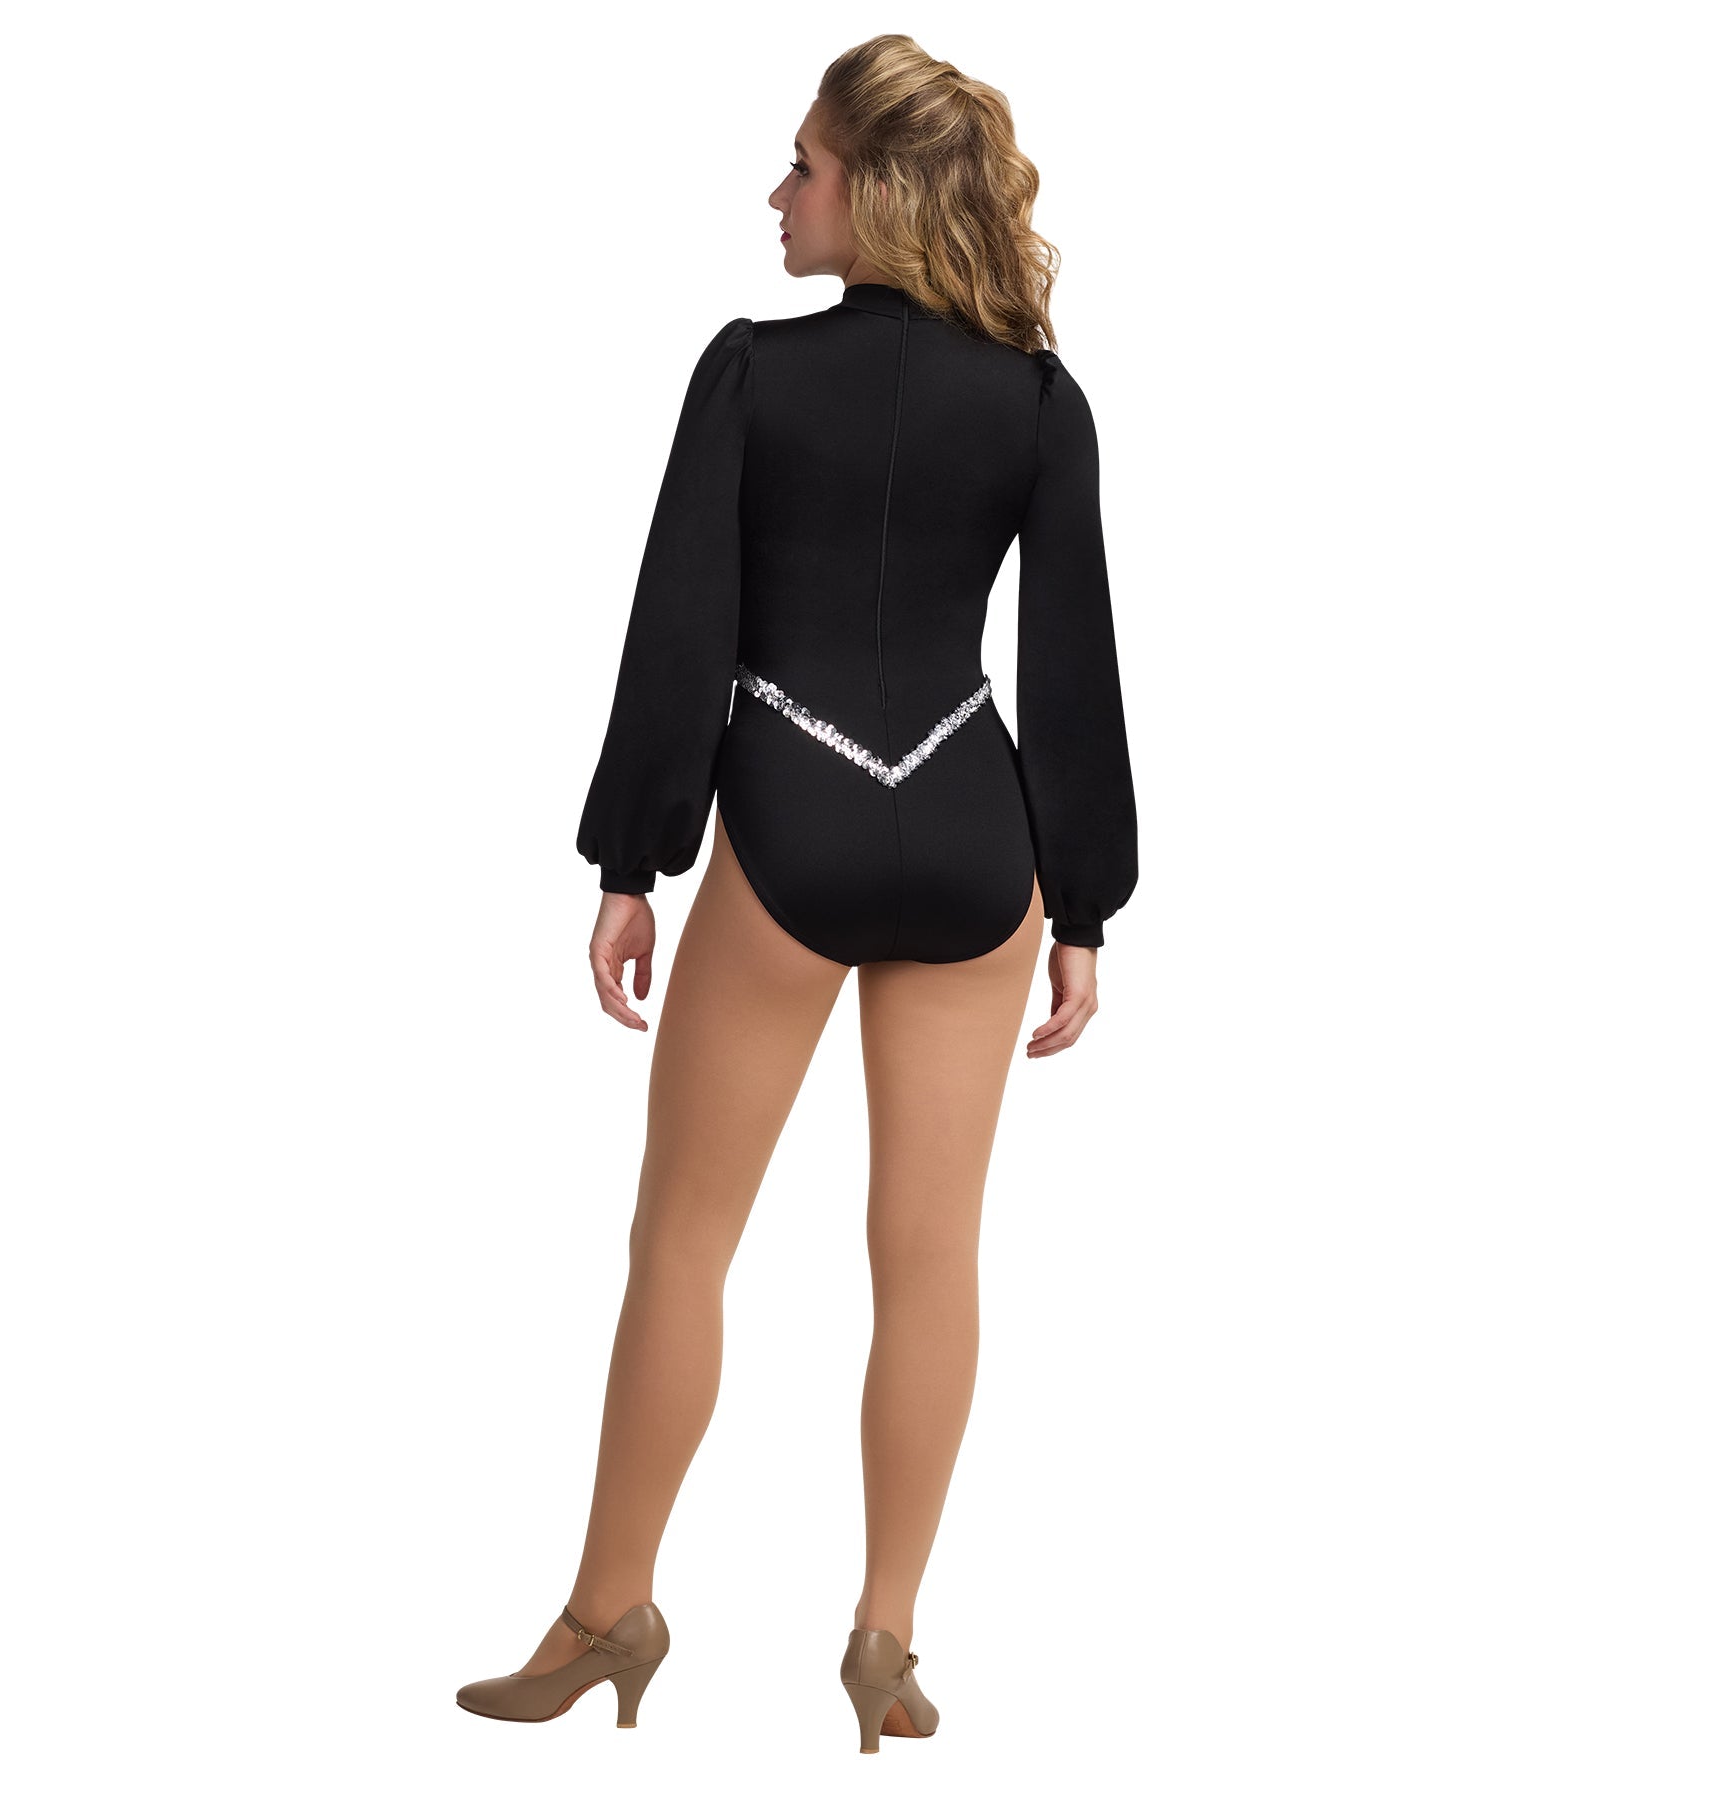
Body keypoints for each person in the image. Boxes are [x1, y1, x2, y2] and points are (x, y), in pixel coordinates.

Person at [456, 34, 1137, 1753]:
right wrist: (1085, 910)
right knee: (931, 1256)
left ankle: (607, 1614)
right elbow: (1072, 667)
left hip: (791, 818)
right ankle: (885, 1640)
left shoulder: (753, 372)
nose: (777, 195)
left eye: (805, 166)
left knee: (683, 1239)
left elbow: (680, 629)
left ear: (878, 193)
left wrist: (633, 859)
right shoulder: (1040, 401)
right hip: (975, 837)